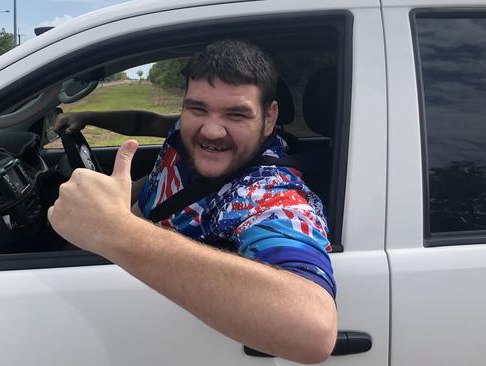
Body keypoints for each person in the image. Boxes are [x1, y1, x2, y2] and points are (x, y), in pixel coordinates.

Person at [48, 40, 337, 364]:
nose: (211, 131)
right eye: (197, 108)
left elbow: (314, 328)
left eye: (237, 114)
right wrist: (88, 115)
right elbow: (144, 122)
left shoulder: (265, 193)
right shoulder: (187, 131)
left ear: (269, 118)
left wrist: (116, 229)